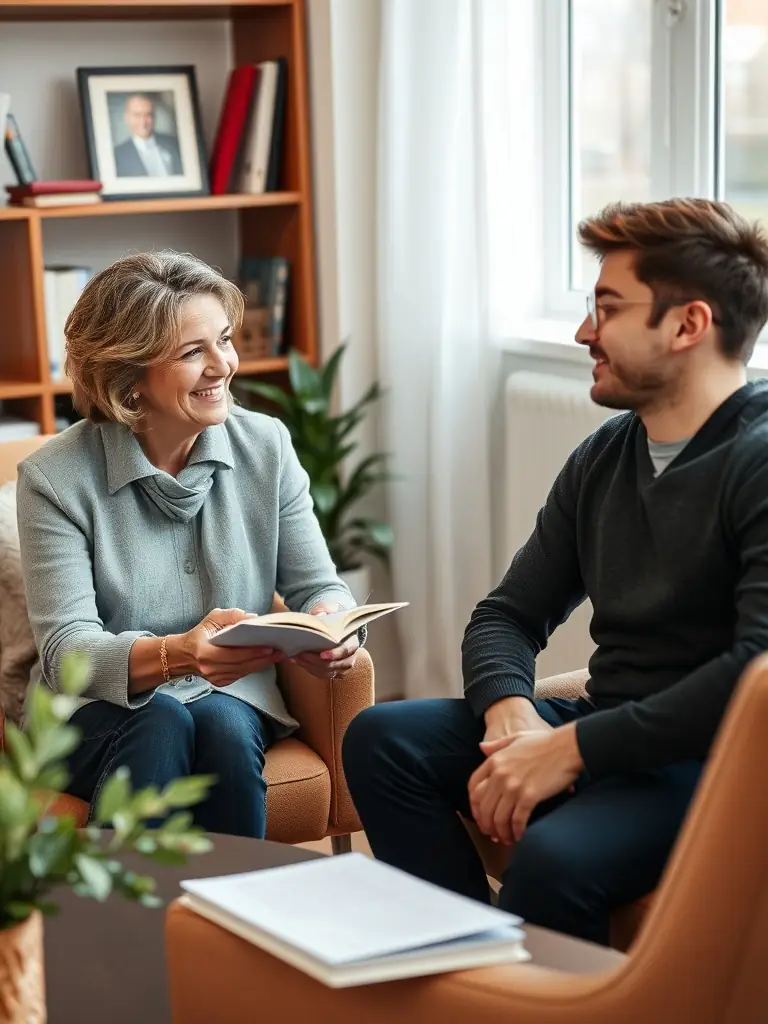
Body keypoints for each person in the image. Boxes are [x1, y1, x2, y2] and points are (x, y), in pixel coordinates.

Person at [342, 197, 768, 945]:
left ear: (687, 325)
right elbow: (508, 614)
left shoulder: (757, 461)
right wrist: (511, 714)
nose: (583, 332)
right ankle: (461, 972)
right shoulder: (607, 453)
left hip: (718, 762)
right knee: (383, 738)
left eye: (606, 308)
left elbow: (751, 672)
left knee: (555, 860)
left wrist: (568, 750)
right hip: (613, 730)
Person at [17, 250, 362, 838]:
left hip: (231, 693)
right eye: (192, 352)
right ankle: (134, 926)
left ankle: (234, 919)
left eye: (223, 340)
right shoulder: (54, 479)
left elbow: (318, 584)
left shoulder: (267, 447)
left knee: (225, 730)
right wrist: (180, 652)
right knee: (162, 723)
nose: (223, 365)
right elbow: (67, 651)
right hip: (92, 708)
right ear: (127, 377)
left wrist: (331, 622)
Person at [113, 94, 182, 177]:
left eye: (148, 115)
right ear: (126, 118)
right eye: (137, 115)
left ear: (154, 116)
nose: (143, 122)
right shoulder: (116, 156)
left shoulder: (176, 143)